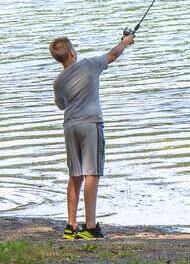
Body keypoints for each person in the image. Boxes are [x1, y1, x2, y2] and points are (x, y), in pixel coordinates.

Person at [49, 33, 135, 239]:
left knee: (75, 174)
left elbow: (61, 105)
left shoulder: (58, 81)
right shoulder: (89, 65)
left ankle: (71, 226)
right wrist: (125, 41)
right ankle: (90, 226)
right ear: (72, 52)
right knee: (92, 173)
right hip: (90, 124)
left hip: (70, 127)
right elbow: (113, 55)